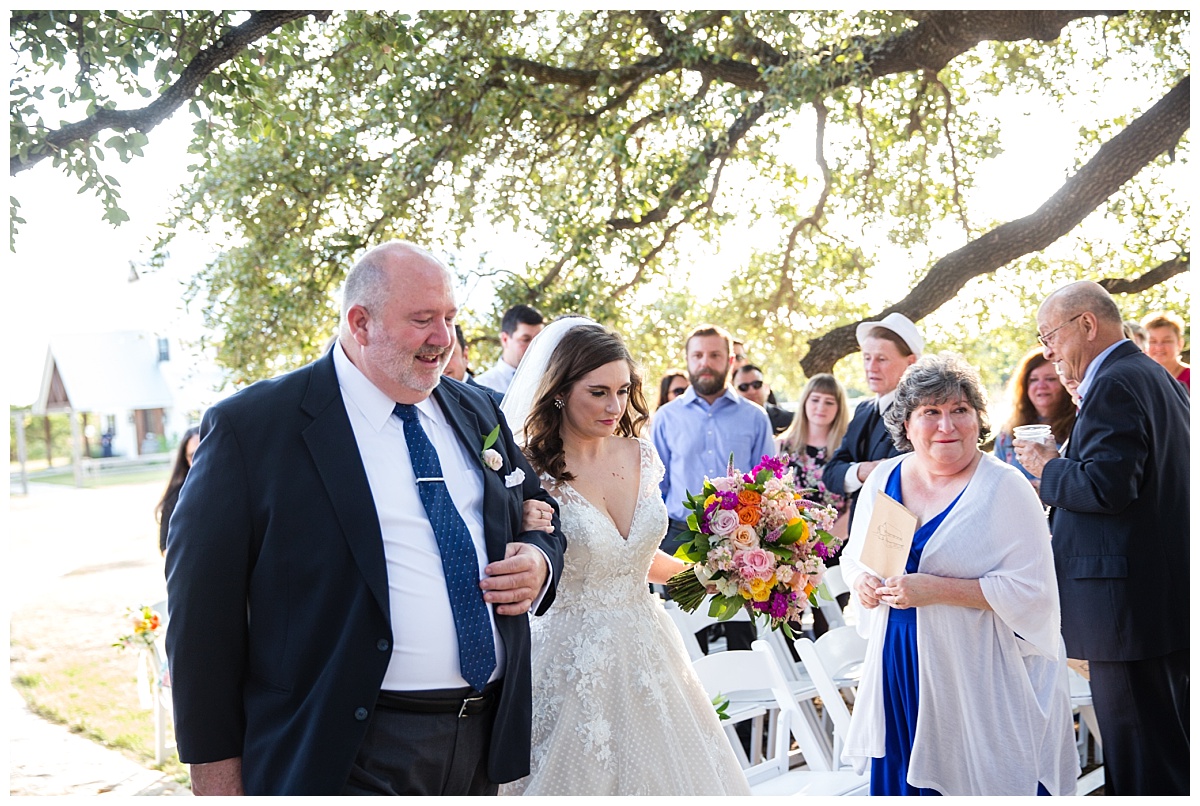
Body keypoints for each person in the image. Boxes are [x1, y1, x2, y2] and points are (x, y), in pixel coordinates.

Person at [164, 241, 567, 795]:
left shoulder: (476, 410)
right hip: (342, 749)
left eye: (449, 318)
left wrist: (539, 561)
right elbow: (200, 619)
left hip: (480, 741)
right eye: (422, 320)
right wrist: (215, 774)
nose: (443, 338)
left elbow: (539, 514)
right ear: (361, 322)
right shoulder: (254, 430)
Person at [497, 318, 751, 796]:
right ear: (559, 391)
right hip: (569, 659)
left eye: (623, 390)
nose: (615, 406)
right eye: (598, 392)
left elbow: (635, 557)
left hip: (649, 646)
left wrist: (707, 576)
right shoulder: (527, 470)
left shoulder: (639, 453)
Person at [840, 353, 1078, 795]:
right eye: (930, 412)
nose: (947, 426)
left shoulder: (1005, 488)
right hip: (901, 663)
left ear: (978, 420)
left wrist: (937, 591)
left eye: (959, 411)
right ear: (906, 425)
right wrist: (862, 582)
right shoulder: (884, 478)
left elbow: (1035, 593)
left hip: (977, 671)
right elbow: (854, 557)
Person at [1015, 281, 1189, 796]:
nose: (1047, 350)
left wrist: (1049, 469)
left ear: (1087, 325)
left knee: (1140, 758)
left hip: (1124, 607)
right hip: (1152, 599)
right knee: (1162, 747)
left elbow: (1107, 487)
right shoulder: (1149, 374)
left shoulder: (1116, 383)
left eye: (1050, 335)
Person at [651, 324, 773, 653]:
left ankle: (750, 701)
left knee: (740, 632)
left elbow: (770, 485)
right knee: (687, 637)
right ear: (688, 360)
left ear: (730, 360)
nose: (706, 362)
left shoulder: (755, 417)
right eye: (698, 355)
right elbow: (653, 486)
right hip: (680, 537)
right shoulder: (665, 418)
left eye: (715, 355)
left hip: (742, 538)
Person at [822, 312, 923, 528]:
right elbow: (831, 474)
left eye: (882, 359)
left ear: (911, 363)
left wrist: (854, 469)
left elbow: (896, 480)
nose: (871, 367)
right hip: (857, 538)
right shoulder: (863, 410)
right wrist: (861, 471)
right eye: (867, 358)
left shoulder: (918, 415)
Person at [991, 347, 1076, 484]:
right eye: (1033, 380)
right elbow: (995, 480)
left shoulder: (1078, 427)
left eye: (1050, 379)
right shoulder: (1008, 433)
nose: (1041, 386)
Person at [475, 304, 545, 394]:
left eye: (538, 340)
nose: (533, 347)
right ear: (505, 339)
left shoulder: (548, 380)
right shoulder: (481, 387)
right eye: (525, 340)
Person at [155, 426, 199, 556]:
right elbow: (164, 544)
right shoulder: (177, 495)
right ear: (185, 459)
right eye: (193, 455)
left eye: (203, 451)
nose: (199, 459)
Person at [445, 324, 503, 404]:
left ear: (465, 356)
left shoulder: (497, 403)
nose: (440, 363)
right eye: (432, 356)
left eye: (448, 354)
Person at [733, 363, 794, 434]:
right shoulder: (727, 423)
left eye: (756, 384)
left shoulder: (790, 420)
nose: (752, 391)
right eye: (744, 387)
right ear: (735, 392)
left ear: (766, 388)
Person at [1140, 310, 1190, 392]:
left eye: (1167, 341)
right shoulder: (1139, 380)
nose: (1159, 347)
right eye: (1152, 341)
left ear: (1180, 344)